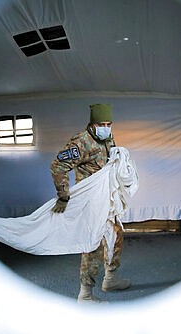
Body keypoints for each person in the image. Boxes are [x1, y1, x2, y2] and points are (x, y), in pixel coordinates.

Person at [50, 103, 131, 303]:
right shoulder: (81, 142)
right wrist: (63, 195)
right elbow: (57, 166)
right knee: (93, 243)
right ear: (92, 124)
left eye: (109, 123)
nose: (106, 127)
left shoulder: (108, 137)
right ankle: (85, 294)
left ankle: (110, 278)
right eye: (102, 123)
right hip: (89, 201)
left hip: (106, 198)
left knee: (116, 235)